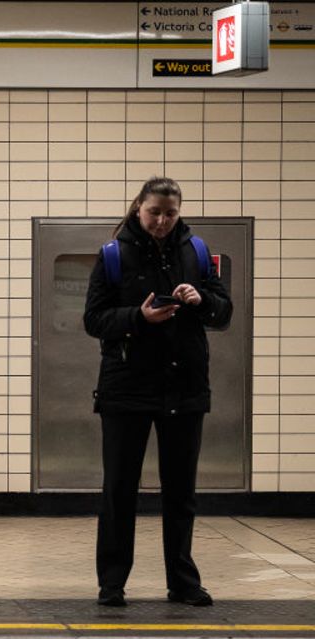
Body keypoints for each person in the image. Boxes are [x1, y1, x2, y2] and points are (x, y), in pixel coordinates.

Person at [84, 177, 233, 608]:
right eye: (155, 212)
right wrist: (138, 316)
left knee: (181, 490)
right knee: (119, 489)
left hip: (184, 387)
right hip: (127, 387)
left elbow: (223, 313)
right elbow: (94, 319)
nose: (163, 221)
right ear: (138, 209)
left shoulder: (198, 253)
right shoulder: (114, 254)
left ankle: (183, 581)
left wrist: (200, 298)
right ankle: (112, 583)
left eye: (171, 213)